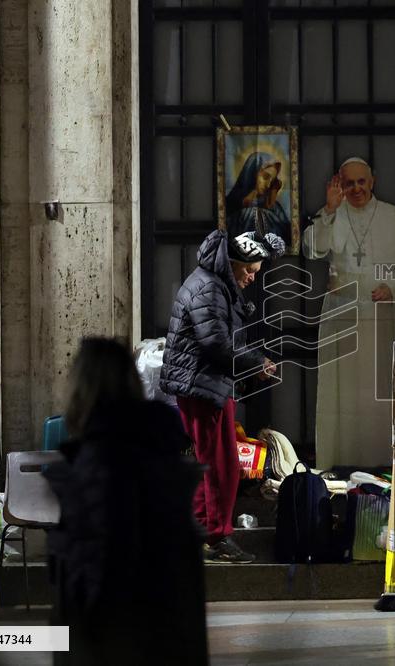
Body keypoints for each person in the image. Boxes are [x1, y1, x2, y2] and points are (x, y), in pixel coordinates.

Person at [45, 337, 207, 665]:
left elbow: (106, 564)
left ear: (82, 387)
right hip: (171, 633)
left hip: (115, 642)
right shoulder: (159, 454)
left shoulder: (103, 462)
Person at [160, 229, 284, 562]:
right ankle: (216, 538)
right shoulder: (210, 287)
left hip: (205, 384)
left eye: (256, 273)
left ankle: (204, 532)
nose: (251, 278)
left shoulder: (212, 282)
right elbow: (214, 342)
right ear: (233, 263)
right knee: (221, 466)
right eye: (248, 271)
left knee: (212, 463)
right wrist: (256, 362)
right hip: (201, 386)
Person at [302, 157, 395, 469]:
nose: (355, 188)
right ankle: (341, 460)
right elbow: (311, 249)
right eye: (348, 183)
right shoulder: (332, 215)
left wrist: (392, 288)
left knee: (380, 389)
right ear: (340, 185)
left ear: (372, 182)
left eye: (361, 182)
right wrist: (328, 211)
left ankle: (382, 459)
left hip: (381, 315)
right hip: (341, 313)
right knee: (341, 392)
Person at [225, 151, 294, 251]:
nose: (268, 185)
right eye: (265, 177)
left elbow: (287, 236)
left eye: (272, 180)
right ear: (252, 173)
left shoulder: (274, 207)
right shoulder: (232, 202)